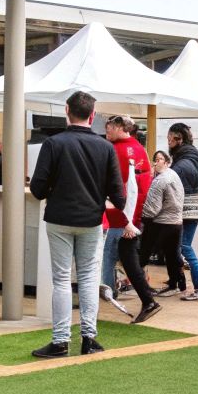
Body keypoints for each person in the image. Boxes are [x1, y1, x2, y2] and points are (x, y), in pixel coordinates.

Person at [29, 91, 125, 357]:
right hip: (91, 220)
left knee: (61, 279)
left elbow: (37, 188)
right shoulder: (105, 147)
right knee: (88, 278)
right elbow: (119, 196)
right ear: (92, 115)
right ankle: (89, 339)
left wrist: (54, 190)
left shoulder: (53, 144)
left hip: (59, 218)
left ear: (67, 111)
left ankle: (60, 341)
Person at [101, 114, 162, 324]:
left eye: (109, 127)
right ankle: (148, 301)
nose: (106, 130)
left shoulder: (118, 150)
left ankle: (111, 293)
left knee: (111, 255)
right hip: (132, 216)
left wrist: (127, 222)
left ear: (120, 127)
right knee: (128, 259)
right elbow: (140, 188)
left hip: (124, 217)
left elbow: (127, 190)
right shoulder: (138, 149)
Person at [168, 122, 198, 300]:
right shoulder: (191, 157)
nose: (168, 142)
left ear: (178, 139)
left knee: (184, 246)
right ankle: (179, 283)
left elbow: (173, 187)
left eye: (170, 139)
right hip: (192, 211)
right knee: (179, 247)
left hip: (186, 211)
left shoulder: (182, 163)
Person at [143, 151, 187, 295]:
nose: (156, 162)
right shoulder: (174, 175)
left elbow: (152, 209)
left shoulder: (160, 180)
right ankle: (178, 284)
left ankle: (142, 287)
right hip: (176, 222)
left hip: (162, 222)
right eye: (155, 159)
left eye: (160, 159)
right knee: (172, 254)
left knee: (144, 254)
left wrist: (143, 218)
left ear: (167, 162)